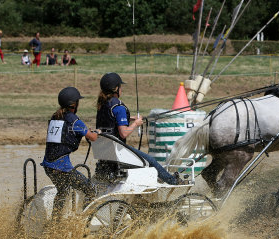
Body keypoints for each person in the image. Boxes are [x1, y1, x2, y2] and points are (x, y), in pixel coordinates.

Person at [94, 72, 182, 185]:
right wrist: (135, 123)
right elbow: (123, 133)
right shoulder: (119, 106)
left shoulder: (103, 104)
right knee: (151, 161)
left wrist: (129, 118)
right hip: (117, 150)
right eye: (120, 87)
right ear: (116, 89)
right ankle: (173, 181)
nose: (122, 89)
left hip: (105, 149)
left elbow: (110, 120)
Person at [41, 86, 100, 219]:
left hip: (48, 166)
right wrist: (96, 132)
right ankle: (84, 222)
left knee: (63, 191)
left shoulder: (55, 116)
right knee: (90, 189)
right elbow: (93, 137)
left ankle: (55, 223)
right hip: (62, 168)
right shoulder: (74, 120)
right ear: (74, 104)